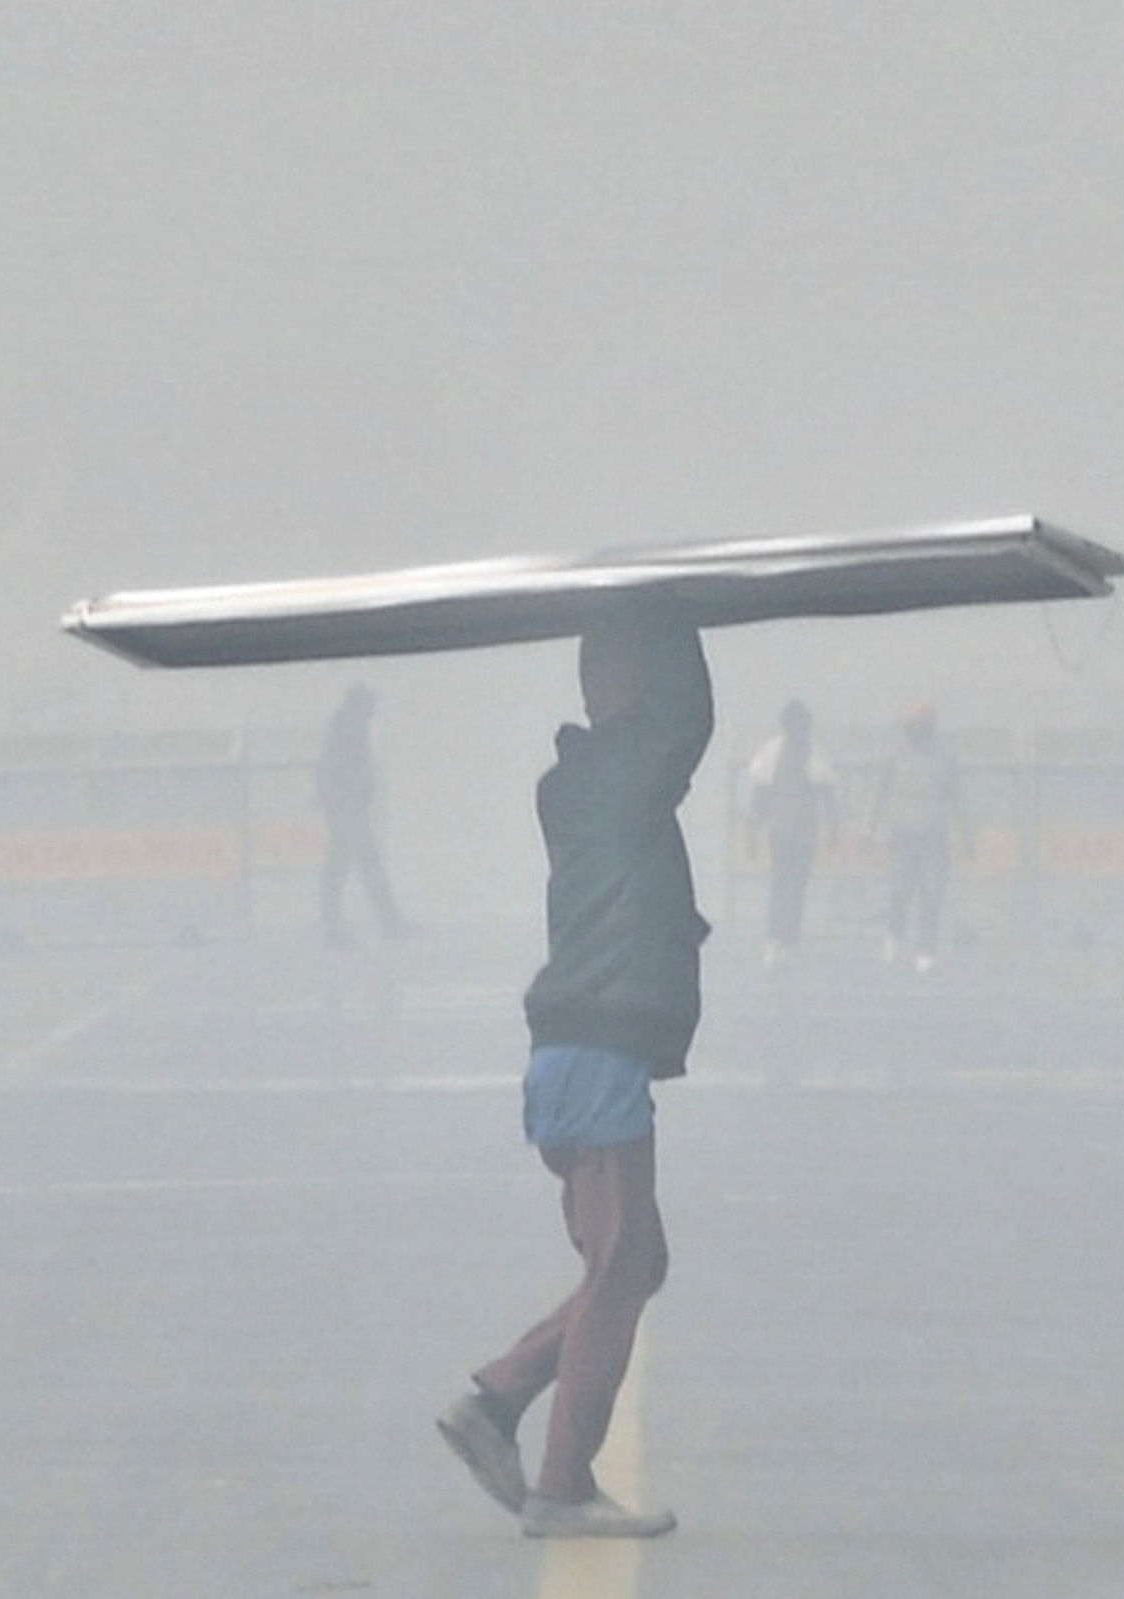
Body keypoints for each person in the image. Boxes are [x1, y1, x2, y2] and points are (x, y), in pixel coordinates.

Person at [435, 601, 709, 1543]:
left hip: (578, 1050)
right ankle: (559, 1484)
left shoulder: (589, 784)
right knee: (623, 1260)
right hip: (593, 1043)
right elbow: (688, 726)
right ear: (621, 683)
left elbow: (672, 728)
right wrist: (685, 615)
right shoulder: (614, 783)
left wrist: (666, 624)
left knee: (635, 1260)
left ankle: (498, 1400)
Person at [741, 700, 841, 959]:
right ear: (786, 726)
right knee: (781, 882)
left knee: (798, 885)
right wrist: (752, 831)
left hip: (806, 832)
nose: (798, 732)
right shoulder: (771, 754)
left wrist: (832, 828)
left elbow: (827, 793)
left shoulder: (814, 754)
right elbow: (759, 794)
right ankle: (775, 937)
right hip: (781, 830)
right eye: (793, 726)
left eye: (802, 727)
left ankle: (790, 939)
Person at [873, 704, 965, 972]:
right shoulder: (896, 755)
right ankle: (894, 935)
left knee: (932, 893)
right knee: (900, 890)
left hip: (934, 834)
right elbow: (882, 791)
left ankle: (926, 950)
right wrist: (871, 829)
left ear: (927, 729)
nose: (909, 732)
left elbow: (957, 797)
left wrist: (966, 833)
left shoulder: (945, 758)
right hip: (903, 833)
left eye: (914, 727)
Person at [317, 685, 408, 945]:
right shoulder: (348, 728)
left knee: (350, 866)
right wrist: (354, 798)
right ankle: (384, 922)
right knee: (358, 866)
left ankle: (380, 921)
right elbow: (345, 769)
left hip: (346, 808)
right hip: (348, 809)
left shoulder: (345, 727)